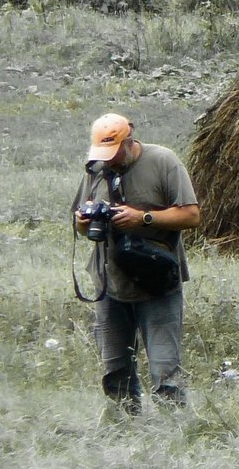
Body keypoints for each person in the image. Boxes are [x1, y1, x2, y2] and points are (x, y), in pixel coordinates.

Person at [71, 112, 200, 414]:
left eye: (114, 153)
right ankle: (124, 429)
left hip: (157, 283)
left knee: (166, 369)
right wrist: (84, 221)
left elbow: (192, 216)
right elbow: (80, 227)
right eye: (104, 155)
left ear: (129, 142)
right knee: (114, 369)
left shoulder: (164, 161)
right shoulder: (96, 170)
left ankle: (175, 431)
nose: (110, 161)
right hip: (110, 283)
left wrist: (142, 218)